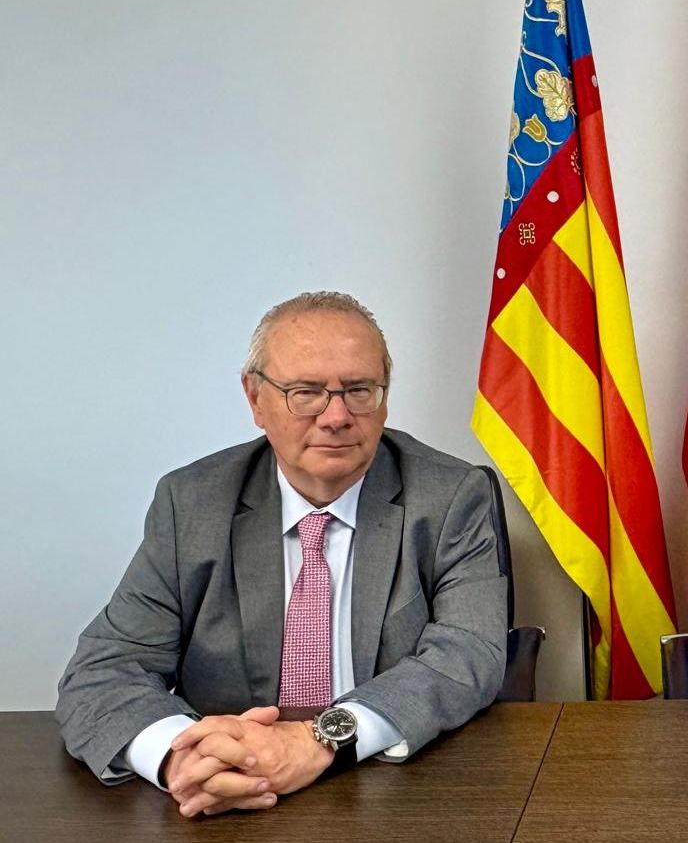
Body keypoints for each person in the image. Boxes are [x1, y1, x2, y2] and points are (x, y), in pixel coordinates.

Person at [57, 291, 506, 817]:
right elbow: (104, 670)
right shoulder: (192, 503)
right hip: (228, 803)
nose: (336, 416)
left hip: (391, 792)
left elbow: (468, 654)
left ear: (384, 396)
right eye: (306, 392)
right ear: (255, 399)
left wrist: (321, 739)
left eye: (359, 390)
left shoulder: (450, 496)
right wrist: (185, 760)